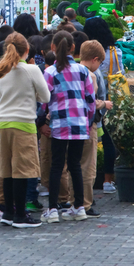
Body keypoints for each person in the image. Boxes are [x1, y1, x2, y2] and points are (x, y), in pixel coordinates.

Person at [0, 32, 50, 228]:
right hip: (23, 123)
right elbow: (46, 97)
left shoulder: (1, 70)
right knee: (22, 171)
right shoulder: (32, 70)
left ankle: (7, 212)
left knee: (6, 170)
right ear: (28, 50)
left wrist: (6, 102)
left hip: (3, 124)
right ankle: (21, 215)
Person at [40, 32, 95, 223]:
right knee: (75, 166)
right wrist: (86, 120)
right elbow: (91, 100)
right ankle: (79, 207)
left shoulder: (50, 73)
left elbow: (43, 101)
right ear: (73, 47)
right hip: (79, 124)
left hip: (59, 125)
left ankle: (53, 209)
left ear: (53, 48)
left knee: (56, 166)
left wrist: (43, 121)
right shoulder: (83, 70)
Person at [83, 16, 122, 194]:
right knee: (108, 142)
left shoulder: (84, 54)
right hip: (108, 102)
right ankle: (107, 181)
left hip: (88, 102)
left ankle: (85, 182)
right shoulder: (115, 53)